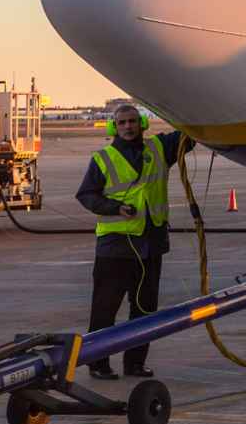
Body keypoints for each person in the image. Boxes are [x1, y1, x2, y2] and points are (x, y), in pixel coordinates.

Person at [76, 105, 192, 380]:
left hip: (151, 245)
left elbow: (188, 134)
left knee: (144, 310)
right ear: (113, 127)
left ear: (142, 123)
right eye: (122, 123)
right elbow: (86, 195)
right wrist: (114, 207)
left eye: (132, 121)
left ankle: (135, 364)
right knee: (105, 310)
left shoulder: (158, 149)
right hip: (116, 246)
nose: (127, 127)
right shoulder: (104, 158)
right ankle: (98, 363)